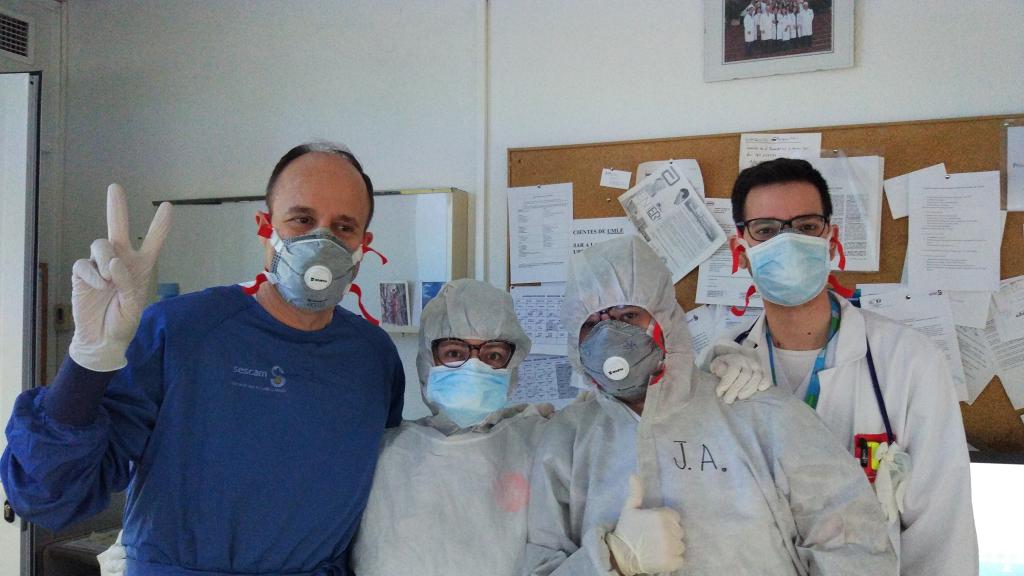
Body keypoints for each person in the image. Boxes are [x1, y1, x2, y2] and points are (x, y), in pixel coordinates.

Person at [1, 142, 405, 575]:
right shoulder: (181, 330)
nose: (321, 241)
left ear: (363, 244)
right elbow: (49, 496)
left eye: (344, 227)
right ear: (265, 226)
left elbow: (379, 506)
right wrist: (88, 360)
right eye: (302, 219)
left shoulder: (372, 358)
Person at [522, 235, 896, 575]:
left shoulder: (760, 413)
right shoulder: (565, 444)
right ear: (575, 339)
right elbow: (540, 563)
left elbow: (853, 543)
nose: (610, 335)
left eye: (627, 315)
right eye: (593, 323)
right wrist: (613, 560)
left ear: (665, 318)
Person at [710, 157, 978, 575]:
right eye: (765, 231)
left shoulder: (910, 362)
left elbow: (943, 534)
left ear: (831, 240)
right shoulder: (720, 371)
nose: (788, 243)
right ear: (740, 252)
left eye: (806, 227)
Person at [350, 278, 550, 575]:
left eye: (492, 355)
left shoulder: (537, 445)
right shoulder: (386, 455)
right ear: (427, 361)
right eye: (454, 353)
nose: (474, 367)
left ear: (513, 366)